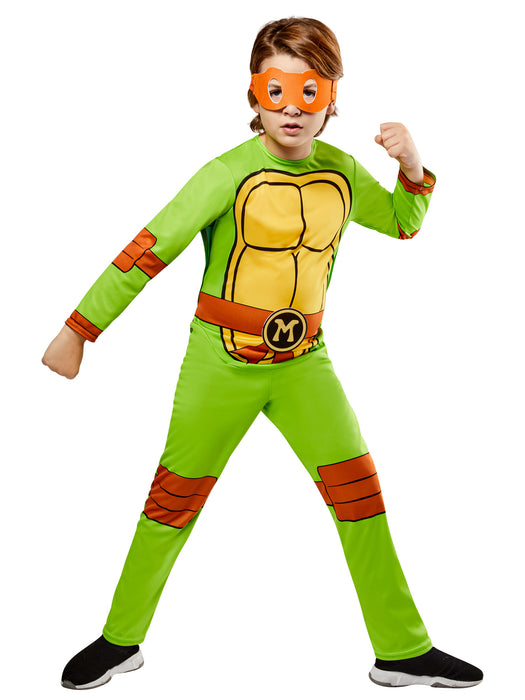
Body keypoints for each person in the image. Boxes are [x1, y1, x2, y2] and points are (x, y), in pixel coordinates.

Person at [42, 16, 483, 690]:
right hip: (219, 363)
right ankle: (120, 638)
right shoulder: (225, 174)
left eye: (310, 91)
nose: (292, 108)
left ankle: (401, 648)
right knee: (172, 500)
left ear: (331, 96)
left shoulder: (342, 172)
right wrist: (79, 329)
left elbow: (401, 223)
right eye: (276, 90)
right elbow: (147, 250)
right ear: (254, 93)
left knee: (360, 495)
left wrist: (413, 168)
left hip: (305, 364)